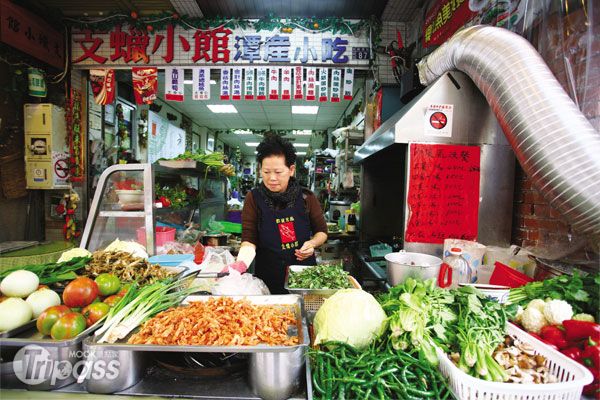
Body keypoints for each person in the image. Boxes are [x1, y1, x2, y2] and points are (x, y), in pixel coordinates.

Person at [231, 135, 328, 294]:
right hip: (267, 277)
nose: (272, 178)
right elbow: (249, 240)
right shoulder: (253, 198)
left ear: (291, 170)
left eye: (278, 172)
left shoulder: (306, 197)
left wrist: (312, 244)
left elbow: (322, 232)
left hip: (303, 277)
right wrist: (240, 264)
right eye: (266, 172)